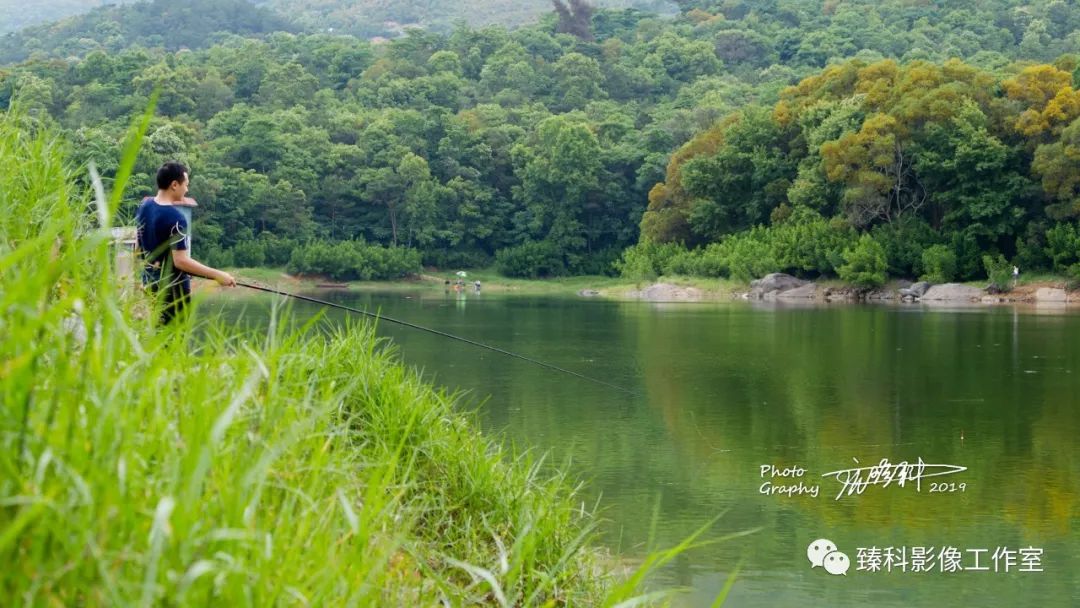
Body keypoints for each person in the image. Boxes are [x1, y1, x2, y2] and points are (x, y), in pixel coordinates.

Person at [135, 162, 235, 324]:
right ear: (174, 185)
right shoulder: (176, 218)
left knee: (158, 337)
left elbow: (138, 248)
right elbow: (181, 261)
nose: (187, 189)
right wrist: (218, 275)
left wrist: (141, 280)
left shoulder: (144, 205)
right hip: (172, 292)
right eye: (186, 185)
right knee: (174, 340)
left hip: (150, 284)